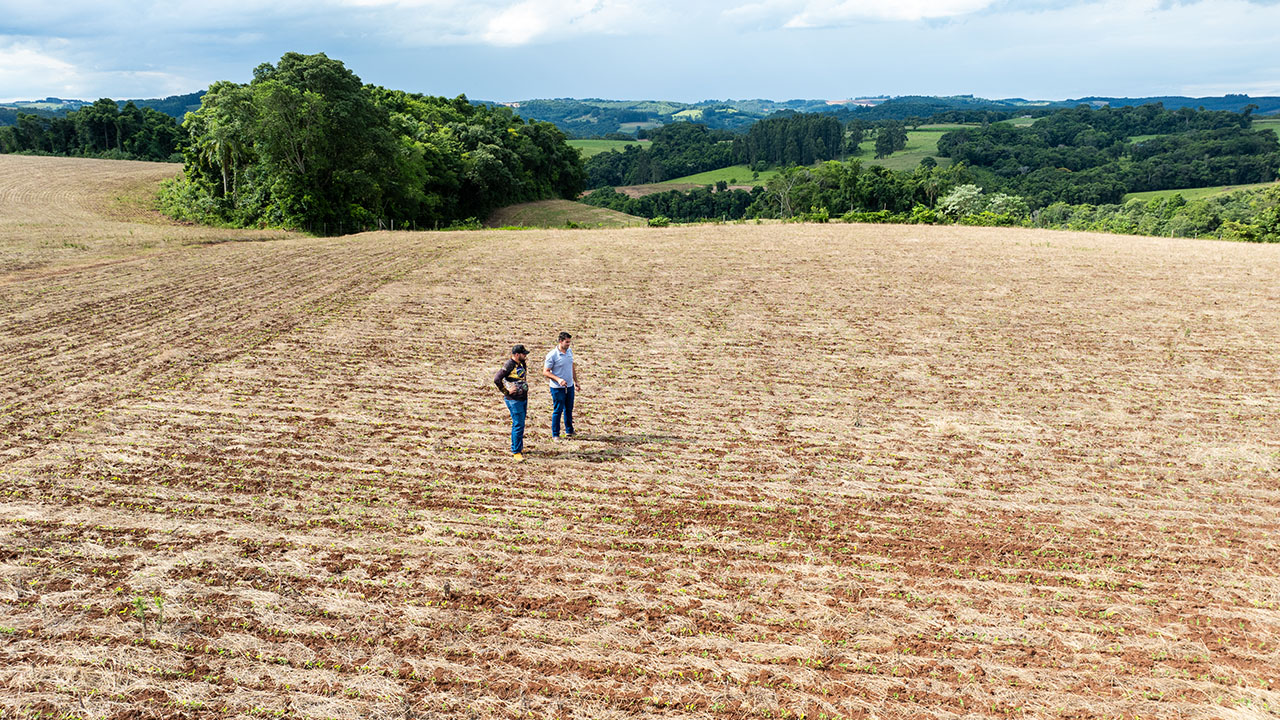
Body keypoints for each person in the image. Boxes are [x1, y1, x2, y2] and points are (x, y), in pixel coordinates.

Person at [493, 344, 530, 462]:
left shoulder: (522, 363)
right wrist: (506, 391)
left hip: (522, 398)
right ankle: (516, 451)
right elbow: (497, 379)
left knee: (521, 423)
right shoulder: (509, 364)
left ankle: (519, 446)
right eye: (523, 354)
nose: (525, 356)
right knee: (518, 424)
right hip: (514, 400)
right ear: (517, 354)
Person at [543, 332, 579, 440]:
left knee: (569, 408)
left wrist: (576, 381)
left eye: (569, 342)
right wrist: (558, 379)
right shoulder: (552, 355)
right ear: (560, 341)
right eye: (566, 342)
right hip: (557, 388)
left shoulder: (569, 352)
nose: (568, 344)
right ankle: (555, 434)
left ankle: (569, 430)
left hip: (570, 386)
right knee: (558, 410)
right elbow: (545, 372)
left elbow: (571, 366)